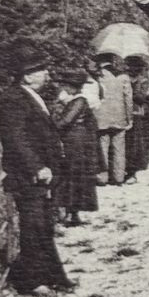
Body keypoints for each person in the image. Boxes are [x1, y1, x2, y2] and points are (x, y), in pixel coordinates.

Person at [0, 49, 73, 294]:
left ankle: (53, 277)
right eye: (40, 70)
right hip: (28, 176)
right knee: (33, 227)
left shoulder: (29, 96)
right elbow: (15, 139)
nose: (46, 74)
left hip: (41, 175)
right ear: (27, 76)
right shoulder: (14, 99)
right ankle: (33, 281)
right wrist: (36, 166)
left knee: (42, 226)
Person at [52, 67, 102, 226]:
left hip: (75, 142)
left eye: (64, 85)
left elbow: (66, 122)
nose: (62, 88)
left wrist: (50, 127)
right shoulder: (75, 101)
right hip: (76, 141)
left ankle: (71, 213)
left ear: (70, 86)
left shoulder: (79, 101)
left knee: (73, 176)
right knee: (72, 176)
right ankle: (71, 213)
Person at [95, 52, 133, 185]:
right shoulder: (123, 77)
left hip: (101, 117)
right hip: (119, 116)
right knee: (119, 148)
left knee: (102, 147)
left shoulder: (98, 76)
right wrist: (129, 118)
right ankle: (119, 177)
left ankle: (102, 177)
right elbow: (128, 100)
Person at [125, 52, 149, 178]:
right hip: (128, 113)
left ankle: (134, 166)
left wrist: (130, 91)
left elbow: (141, 98)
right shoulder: (126, 79)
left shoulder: (142, 81)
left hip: (137, 113)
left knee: (136, 142)